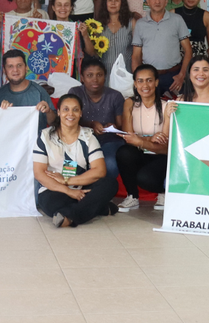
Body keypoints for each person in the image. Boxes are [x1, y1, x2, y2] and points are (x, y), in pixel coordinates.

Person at [34, 94, 119, 228]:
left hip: (81, 186)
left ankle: (69, 216)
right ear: (59, 112)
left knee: (110, 184)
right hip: (53, 189)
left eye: (75, 109)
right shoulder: (45, 136)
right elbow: (39, 173)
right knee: (53, 205)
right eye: (66, 109)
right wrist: (68, 190)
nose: (70, 114)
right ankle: (98, 208)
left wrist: (67, 181)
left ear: (80, 113)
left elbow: (100, 170)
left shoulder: (88, 136)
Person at [115, 65, 173, 212]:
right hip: (140, 152)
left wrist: (140, 141)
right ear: (135, 84)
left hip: (160, 156)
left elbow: (165, 147)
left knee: (146, 179)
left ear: (156, 82)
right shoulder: (129, 103)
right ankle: (132, 196)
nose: (145, 85)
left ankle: (164, 192)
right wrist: (150, 140)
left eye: (149, 80)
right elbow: (129, 138)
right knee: (124, 152)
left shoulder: (167, 106)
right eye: (140, 81)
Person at [67, 57, 124, 177]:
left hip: (109, 140)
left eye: (99, 75)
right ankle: (69, 190)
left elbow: (121, 125)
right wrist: (91, 124)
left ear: (105, 76)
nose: (95, 79)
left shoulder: (115, 96)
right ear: (82, 78)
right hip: (80, 139)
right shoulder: (75, 93)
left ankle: (101, 192)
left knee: (110, 165)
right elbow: (69, 120)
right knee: (69, 166)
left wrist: (113, 126)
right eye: (90, 75)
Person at [131, 0, 191, 98]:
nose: (157, 2)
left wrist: (182, 75)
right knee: (151, 111)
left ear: (166, 1)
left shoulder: (177, 19)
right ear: (147, 1)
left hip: (174, 76)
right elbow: (136, 55)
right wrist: (138, 79)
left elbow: (188, 50)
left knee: (176, 111)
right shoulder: (140, 24)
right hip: (149, 78)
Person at [0, 50, 56, 132]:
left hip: (36, 143)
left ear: (26, 68)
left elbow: (54, 123)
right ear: (4, 70)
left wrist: (48, 111)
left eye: (19, 65)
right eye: (10, 66)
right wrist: (2, 112)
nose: (15, 70)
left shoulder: (39, 92)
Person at [96, 0, 134, 78]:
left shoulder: (131, 23)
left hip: (126, 74)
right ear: (105, 3)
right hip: (104, 75)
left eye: (116, 0)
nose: (113, 3)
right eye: (110, 0)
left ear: (122, 3)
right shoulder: (98, 25)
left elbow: (137, 52)